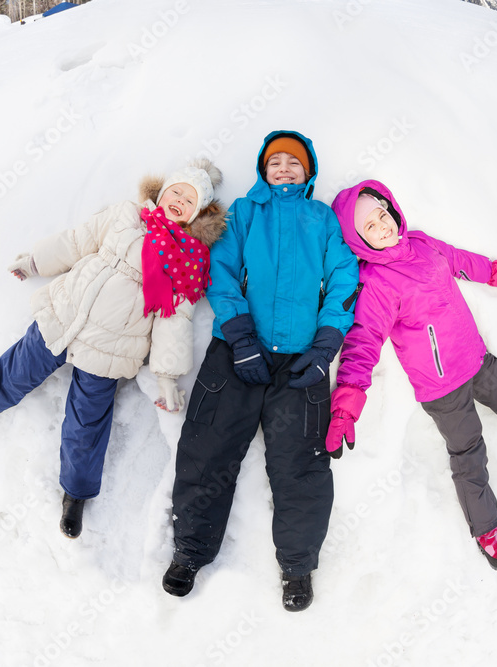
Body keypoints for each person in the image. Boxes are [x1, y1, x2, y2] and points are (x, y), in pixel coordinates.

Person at [0, 160, 227, 539]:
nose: (179, 200)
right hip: (65, 314)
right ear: (162, 193)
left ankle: (75, 494)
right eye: (176, 191)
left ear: (196, 213)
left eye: (189, 200)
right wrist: (34, 261)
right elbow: (76, 241)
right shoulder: (125, 215)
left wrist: (166, 377)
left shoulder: (186, 258)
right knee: (15, 370)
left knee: (88, 423)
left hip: (112, 349)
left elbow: (173, 321)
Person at [326, 180, 497, 571]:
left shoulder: (422, 244)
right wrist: (347, 403)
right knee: (469, 453)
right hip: (440, 387)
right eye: (371, 229)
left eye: (382, 216)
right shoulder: (376, 284)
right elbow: (363, 342)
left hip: (476, 357)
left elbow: (462, 261)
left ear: (392, 209)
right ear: (360, 241)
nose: (383, 227)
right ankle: (486, 531)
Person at [162, 131, 360, 611]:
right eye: (277, 163)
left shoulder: (323, 218)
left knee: (301, 466)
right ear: (263, 170)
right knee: (208, 449)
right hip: (237, 352)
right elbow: (221, 271)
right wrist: (240, 335)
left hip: (302, 360)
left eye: (295, 162)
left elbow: (343, 279)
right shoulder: (245, 214)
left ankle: (297, 568)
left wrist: (327, 343)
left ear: (308, 171)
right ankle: (189, 551)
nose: (285, 170)